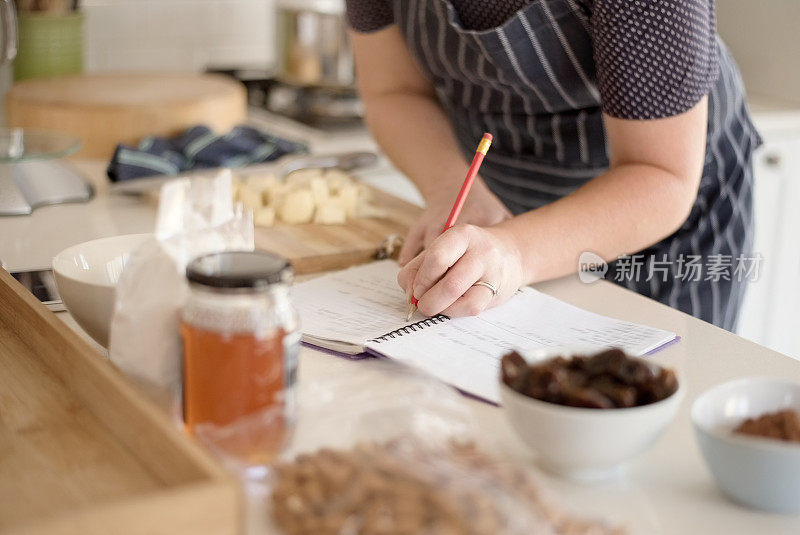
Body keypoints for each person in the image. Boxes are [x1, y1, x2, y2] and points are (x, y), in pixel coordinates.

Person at [345, 0, 760, 331]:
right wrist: (456, 190)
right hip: (505, 205)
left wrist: (516, 251)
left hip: (663, 216)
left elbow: (660, 173)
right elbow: (393, 92)